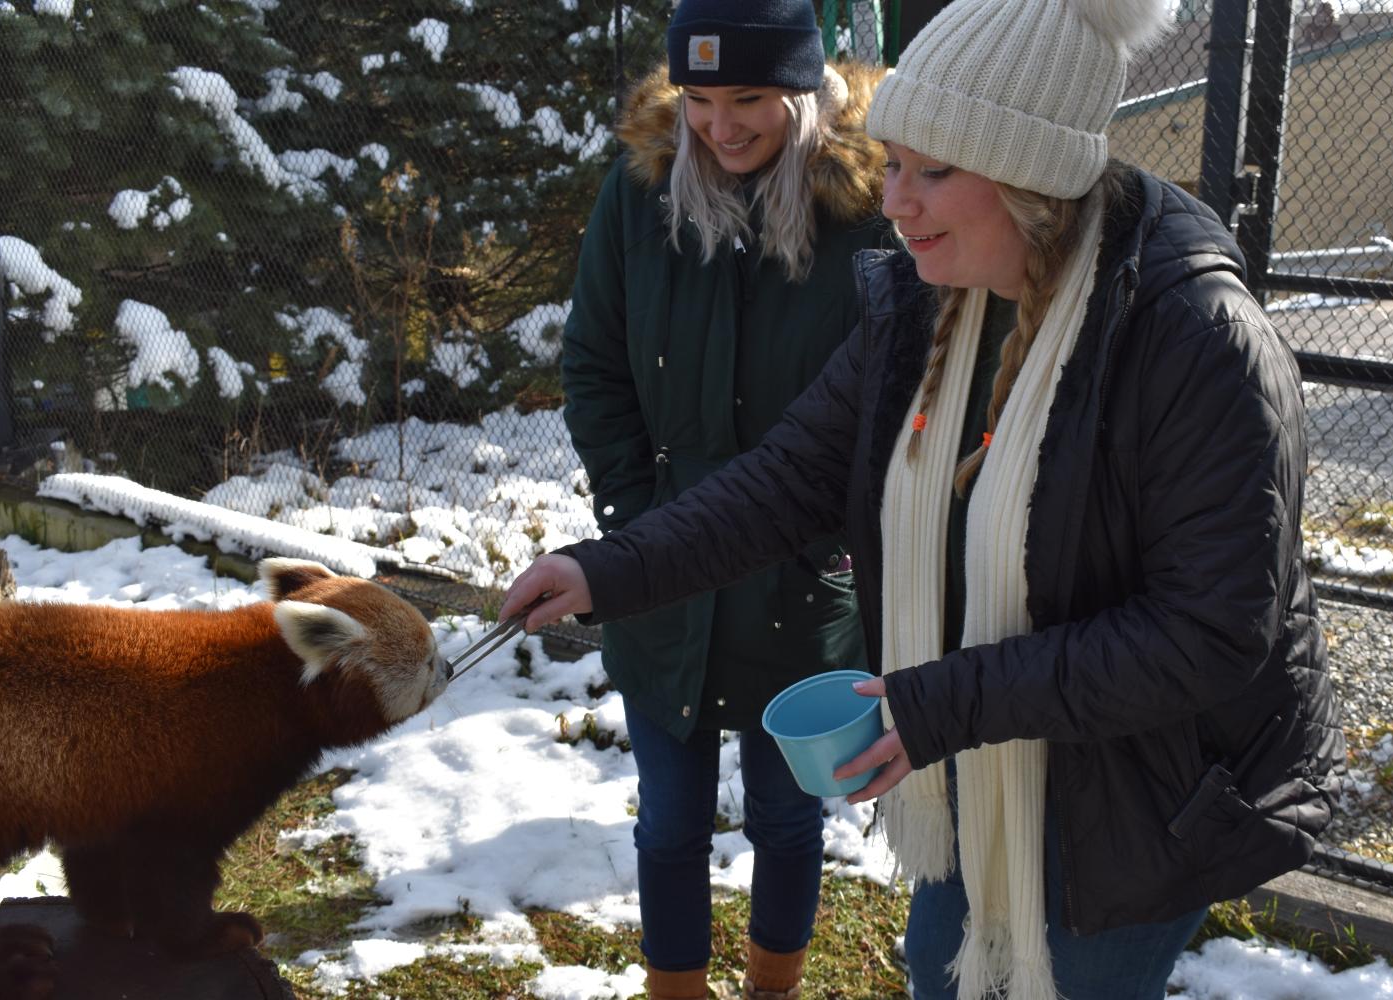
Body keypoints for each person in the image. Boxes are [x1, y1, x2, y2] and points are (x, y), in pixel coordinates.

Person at [508, 0, 1345, 997]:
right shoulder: (924, 299)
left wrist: (939, 700)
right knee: (941, 972)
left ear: (1032, 179)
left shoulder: (1195, 338)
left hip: (1142, 794)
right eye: (893, 163)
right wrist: (607, 569)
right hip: (983, 761)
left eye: (932, 173)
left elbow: (1208, 631)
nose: (893, 201)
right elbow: (787, 480)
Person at [555, 1, 888, 997]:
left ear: (804, 87)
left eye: (748, 97)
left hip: (803, 576)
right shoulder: (640, 188)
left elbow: (891, 398)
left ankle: (773, 985)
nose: (720, 124)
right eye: (699, 98)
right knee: (670, 818)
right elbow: (593, 362)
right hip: (665, 568)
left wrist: (837, 540)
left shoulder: (869, 210)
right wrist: (638, 516)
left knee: (791, 816)